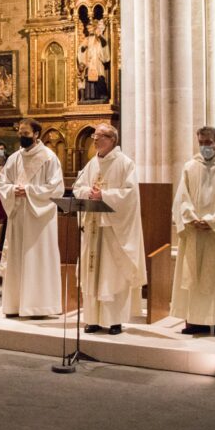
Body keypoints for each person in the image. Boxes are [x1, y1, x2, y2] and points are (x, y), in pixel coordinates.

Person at [71, 123, 147, 335]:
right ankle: (92, 319)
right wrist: (89, 193)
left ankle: (114, 321)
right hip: (93, 227)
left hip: (113, 231)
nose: (95, 140)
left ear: (112, 139)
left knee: (111, 275)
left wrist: (103, 195)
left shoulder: (125, 164)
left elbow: (130, 195)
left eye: (100, 136)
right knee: (92, 275)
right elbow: (78, 188)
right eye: (94, 136)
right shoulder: (91, 164)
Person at [170, 126, 215, 338]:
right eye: (201, 143)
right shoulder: (190, 167)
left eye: (208, 143)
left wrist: (213, 221)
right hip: (195, 231)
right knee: (195, 276)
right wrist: (191, 217)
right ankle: (196, 321)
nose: (204, 147)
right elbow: (181, 197)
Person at [0, 118, 64, 318]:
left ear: (35, 134)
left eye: (25, 133)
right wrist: (11, 190)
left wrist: (29, 191)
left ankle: (38, 306)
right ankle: (15, 305)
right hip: (19, 216)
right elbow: (2, 181)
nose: (21, 136)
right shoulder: (15, 158)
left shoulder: (49, 158)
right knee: (18, 258)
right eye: (19, 132)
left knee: (37, 259)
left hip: (39, 219)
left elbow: (56, 188)